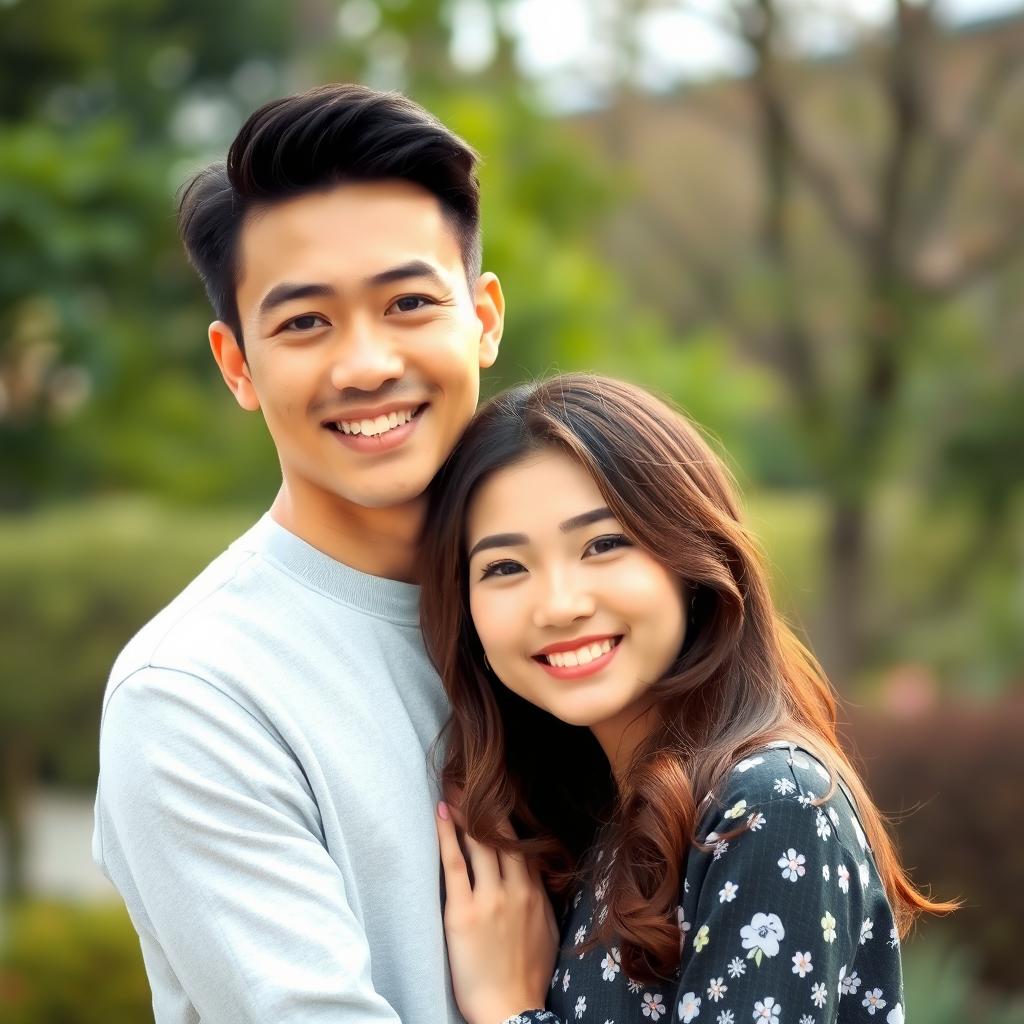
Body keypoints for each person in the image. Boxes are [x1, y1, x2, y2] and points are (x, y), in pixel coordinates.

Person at [92, 83, 504, 1022]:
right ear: (237, 363)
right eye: (305, 322)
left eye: (407, 301)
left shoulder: (575, 620)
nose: (364, 364)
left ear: (481, 318)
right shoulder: (195, 694)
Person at [419, 374, 955, 1024]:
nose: (559, 605)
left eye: (603, 545)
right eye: (505, 567)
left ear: (692, 562)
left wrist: (511, 1012)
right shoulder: (594, 826)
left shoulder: (769, 805)